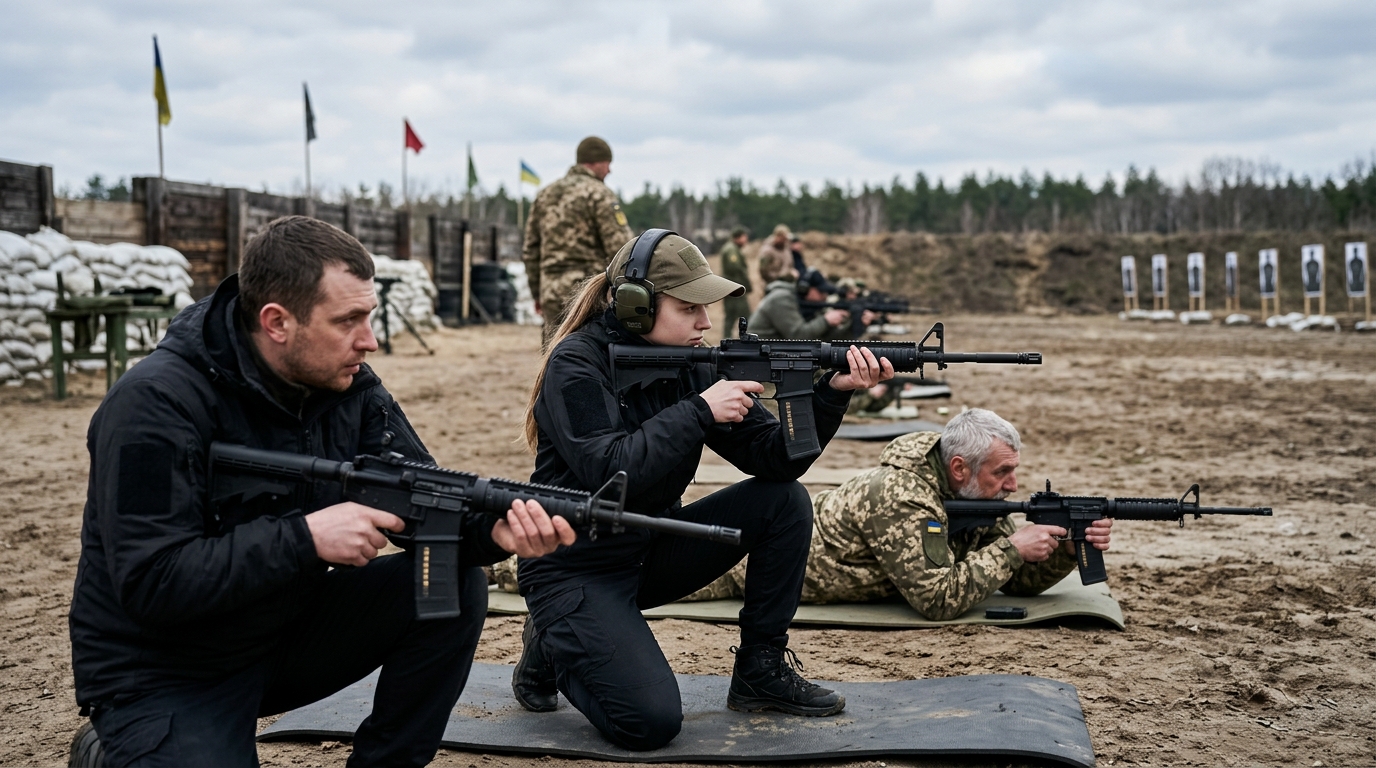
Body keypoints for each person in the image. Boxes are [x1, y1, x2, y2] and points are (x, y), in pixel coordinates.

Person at [67, 216, 573, 768]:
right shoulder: (153, 405)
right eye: (348, 320)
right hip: (164, 667)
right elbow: (152, 582)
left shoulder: (347, 383)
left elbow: (420, 494)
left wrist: (491, 531)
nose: (370, 340)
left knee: (449, 581)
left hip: (277, 635)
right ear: (277, 322)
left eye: (369, 316)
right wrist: (304, 539)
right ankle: (112, 749)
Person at [512, 229, 894, 750]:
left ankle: (760, 670)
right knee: (650, 724)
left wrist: (828, 394)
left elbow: (775, 461)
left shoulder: (690, 364)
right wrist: (698, 411)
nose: (705, 322)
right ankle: (555, 641)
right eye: (689, 307)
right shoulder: (576, 365)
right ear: (636, 306)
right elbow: (610, 467)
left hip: (647, 548)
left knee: (782, 503)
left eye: (707, 307)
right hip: (575, 566)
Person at [688, 409, 1114, 620]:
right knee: (646, 580)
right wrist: (1010, 548)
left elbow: (1015, 581)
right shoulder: (902, 495)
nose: (1012, 486)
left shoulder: (967, 491)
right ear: (960, 467)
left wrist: (1063, 546)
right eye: (1002, 472)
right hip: (742, 563)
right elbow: (937, 599)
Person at [522, 136, 634, 346]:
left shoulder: (545, 195)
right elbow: (621, 248)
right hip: (589, 293)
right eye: (608, 164)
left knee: (553, 354)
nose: (609, 171)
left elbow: (531, 251)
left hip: (551, 291)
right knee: (589, 352)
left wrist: (537, 293)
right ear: (597, 162)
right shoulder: (599, 194)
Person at [747, 268, 874, 340]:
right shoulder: (781, 299)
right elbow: (798, 336)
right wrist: (825, 320)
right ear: (806, 289)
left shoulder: (809, 305)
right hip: (759, 354)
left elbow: (826, 339)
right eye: (821, 291)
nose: (825, 296)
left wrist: (853, 326)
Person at [718, 226, 752, 336]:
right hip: (735, 289)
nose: (746, 240)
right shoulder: (731, 249)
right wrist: (745, 283)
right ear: (738, 237)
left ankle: (727, 338)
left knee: (731, 317)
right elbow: (734, 268)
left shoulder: (731, 248)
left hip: (732, 288)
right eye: (744, 237)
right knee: (744, 316)